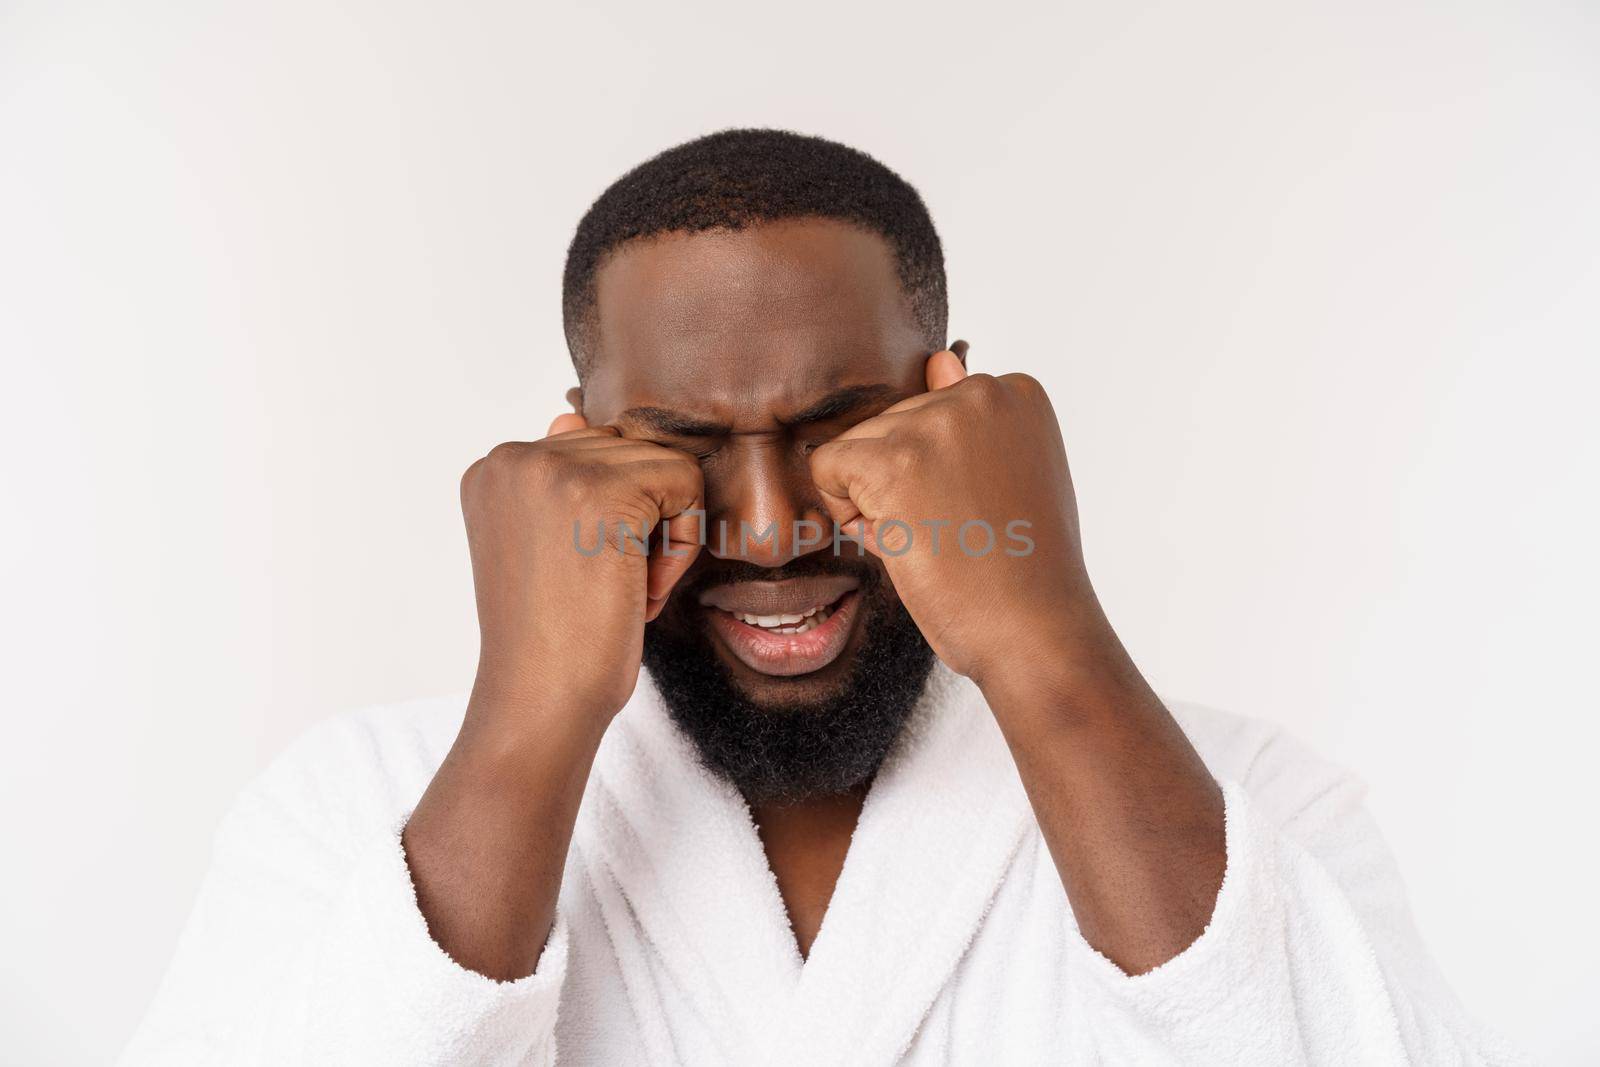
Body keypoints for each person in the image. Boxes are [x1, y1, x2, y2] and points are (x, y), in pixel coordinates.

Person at [123, 129, 1516, 1065]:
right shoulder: (350, 812)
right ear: (579, 450)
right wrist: (530, 718)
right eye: (682, 441)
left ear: (956, 408)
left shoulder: (1257, 809)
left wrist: (1052, 645)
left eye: (841, 424)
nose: (776, 526)